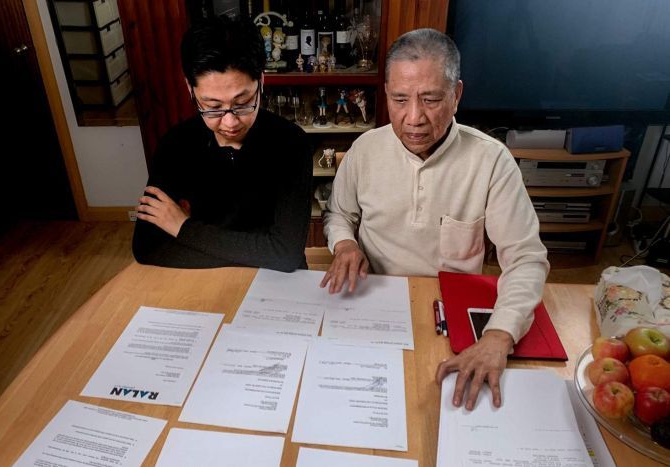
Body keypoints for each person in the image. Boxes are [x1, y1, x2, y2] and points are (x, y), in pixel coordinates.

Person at [321, 29, 549, 410]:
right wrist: (345, 243)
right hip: (372, 297)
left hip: (451, 311)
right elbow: (340, 214)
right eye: (399, 100)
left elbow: (526, 258)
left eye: (430, 100)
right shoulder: (365, 150)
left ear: (456, 95)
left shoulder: (491, 161)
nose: (414, 118)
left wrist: (499, 335)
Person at [132, 16, 313, 272]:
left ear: (261, 81)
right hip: (202, 285)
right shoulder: (176, 144)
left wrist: (183, 228)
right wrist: (258, 251)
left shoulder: (291, 143)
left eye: (242, 103)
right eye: (213, 107)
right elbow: (146, 247)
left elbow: (285, 255)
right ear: (190, 89)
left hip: (275, 287)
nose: (229, 122)